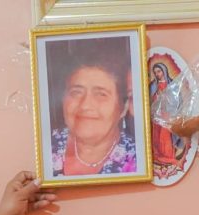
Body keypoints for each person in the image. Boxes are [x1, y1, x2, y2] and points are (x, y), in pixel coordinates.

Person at [50, 41, 136, 177]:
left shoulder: (137, 160)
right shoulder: (46, 147)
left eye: (101, 94)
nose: (85, 105)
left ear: (123, 107)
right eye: (76, 92)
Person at [149, 62, 185, 168]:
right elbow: (149, 100)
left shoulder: (172, 84)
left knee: (165, 136)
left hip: (168, 114)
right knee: (157, 135)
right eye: (155, 72)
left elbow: (178, 100)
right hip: (157, 115)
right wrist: (157, 96)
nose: (157, 74)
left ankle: (168, 157)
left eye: (159, 71)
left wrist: (165, 98)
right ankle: (158, 156)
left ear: (164, 71)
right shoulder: (153, 85)